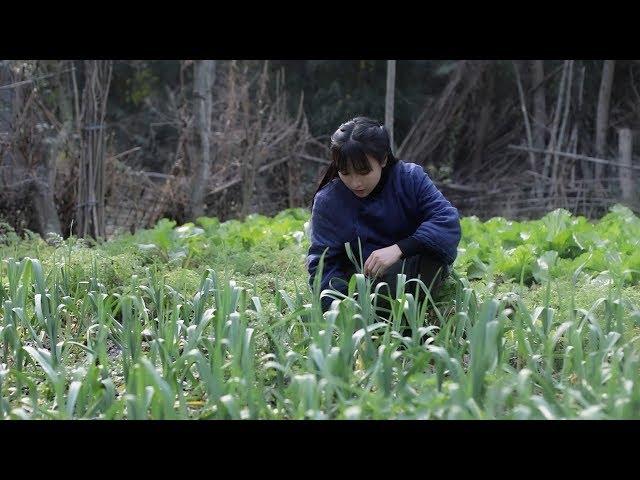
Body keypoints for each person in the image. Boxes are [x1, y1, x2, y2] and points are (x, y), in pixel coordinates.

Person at [306, 116, 462, 318]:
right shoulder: (328, 200)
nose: (355, 183)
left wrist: (399, 249)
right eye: (345, 172)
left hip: (414, 271)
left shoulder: (410, 178)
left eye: (363, 172)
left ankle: (412, 318)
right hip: (361, 288)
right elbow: (323, 264)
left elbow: (447, 221)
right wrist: (342, 311)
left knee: (430, 260)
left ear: (383, 159)